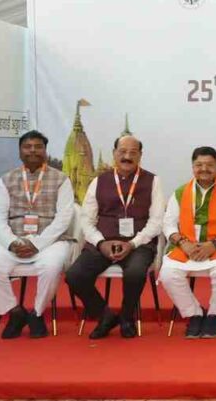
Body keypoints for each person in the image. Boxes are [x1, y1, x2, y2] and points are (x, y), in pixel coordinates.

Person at [65, 135, 164, 339]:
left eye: (133, 153)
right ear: (114, 153)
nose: (127, 157)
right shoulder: (98, 181)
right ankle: (105, 316)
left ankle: (127, 317)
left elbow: (156, 221)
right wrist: (101, 243)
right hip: (103, 242)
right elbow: (86, 220)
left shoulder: (153, 181)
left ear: (140, 156)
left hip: (138, 244)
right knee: (75, 276)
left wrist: (133, 243)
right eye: (122, 152)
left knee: (135, 273)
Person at [0, 130, 74, 339]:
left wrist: (38, 244)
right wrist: (12, 242)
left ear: (45, 151)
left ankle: (37, 314)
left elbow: (64, 218)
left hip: (50, 239)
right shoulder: (6, 180)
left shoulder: (61, 179)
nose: (33, 151)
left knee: (51, 267)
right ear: (19, 151)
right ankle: (15, 312)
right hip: (14, 238)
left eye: (38, 147)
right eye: (27, 147)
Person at [158, 146, 216, 338]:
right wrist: (183, 244)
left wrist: (213, 244)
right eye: (199, 165)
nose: (204, 169)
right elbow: (168, 223)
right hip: (187, 245)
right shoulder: (181, 192)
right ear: (193, 167)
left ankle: (214, 315)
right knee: (167, 274)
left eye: (209, 165)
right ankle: (194, 314)